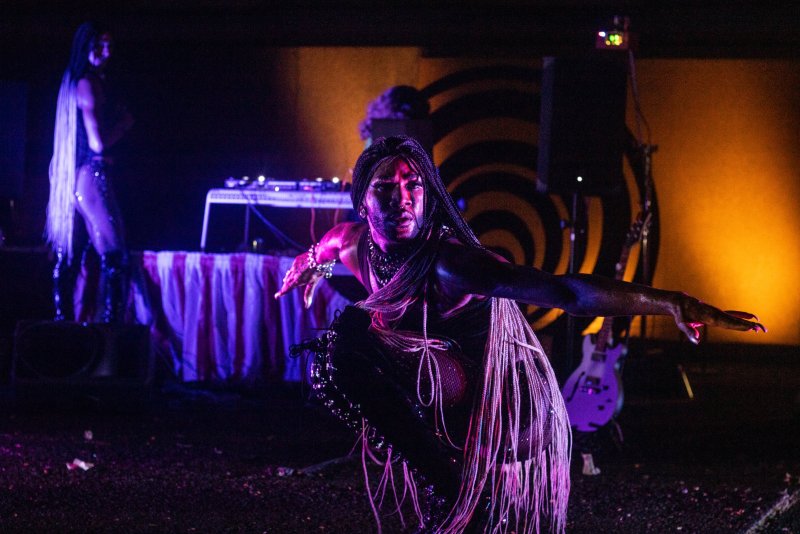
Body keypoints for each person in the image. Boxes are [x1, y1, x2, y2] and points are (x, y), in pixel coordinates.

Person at [275, 136, 764, 533]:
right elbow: (327, 246)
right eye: (385, 187)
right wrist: (307, 264)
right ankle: (452, 488)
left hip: (499, 407)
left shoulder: (451, 264)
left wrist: (672, 302)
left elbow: (567, 292)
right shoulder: (355, 244)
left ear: (428, 195)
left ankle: (458, 492)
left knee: (351, 339)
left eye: (414, 185)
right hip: (436, 393)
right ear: (363, 201)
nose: (402, 198)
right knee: (336, 358)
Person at [46, 22, 134, 323]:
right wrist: (123, 126)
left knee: (72, 248)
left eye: (109, 45)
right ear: (86, 48)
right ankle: (110, 326)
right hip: (90, 175)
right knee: (114, 251)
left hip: (72, 176)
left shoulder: (74, 83)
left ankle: (63, 321)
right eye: (99, 45)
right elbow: (97, 143)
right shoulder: (87, 84)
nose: (107, 52)